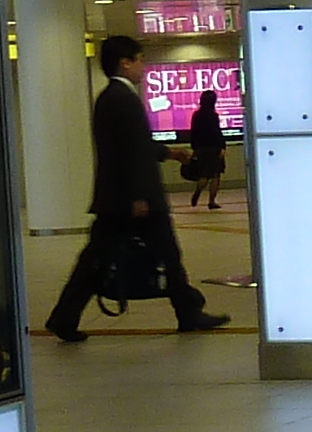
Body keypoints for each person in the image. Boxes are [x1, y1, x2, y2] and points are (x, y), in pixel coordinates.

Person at [45, 35, 231, 340]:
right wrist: (140, 196)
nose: (143, 66)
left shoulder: (111, 97)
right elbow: (130, 152)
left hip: (115, 199)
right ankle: (188, 313)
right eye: (140, 59)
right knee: (168, 254)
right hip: (132, 199)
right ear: (125, 62)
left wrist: (168, 153)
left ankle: (64, 317)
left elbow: (135, 146)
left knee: (95, 259)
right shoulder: (122, 98)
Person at [180, 84, 228, 209]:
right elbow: (216, 133)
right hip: (214, 148)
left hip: (201, 149)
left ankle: (197, 192)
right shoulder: (213, 116)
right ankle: (211, 201)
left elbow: (193, 132)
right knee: (216, 175)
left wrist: (195, 148)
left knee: (204, 174)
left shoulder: (196, 115)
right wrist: (222, 147)